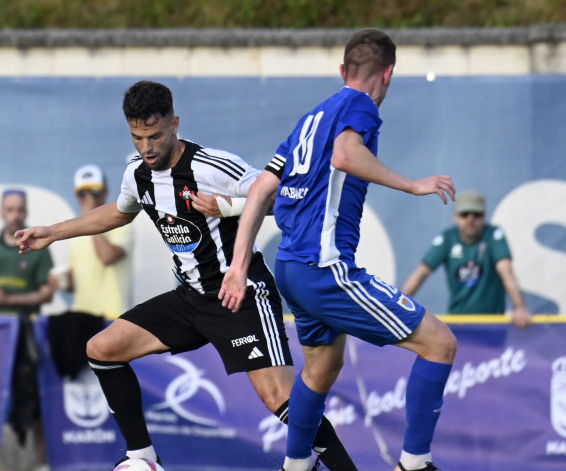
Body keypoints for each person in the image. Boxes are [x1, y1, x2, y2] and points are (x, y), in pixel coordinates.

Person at [15, 81, 356, 470]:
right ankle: (143, 459)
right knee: (102, 349)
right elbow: (120, 211)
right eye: (138, 137)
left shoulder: (212, 166)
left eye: (155, 135)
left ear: (175, 124)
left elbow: (280, 198)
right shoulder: (137, 174)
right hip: (190, 297)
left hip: (239, 293)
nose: (147, 147)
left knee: (281, 399)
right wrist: (53, 232)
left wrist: (228, 206)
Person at [220, 29, 457, 471]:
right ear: (387, 74)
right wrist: (412, 184)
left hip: (290, 267)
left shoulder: (308, 120)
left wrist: (237, 266)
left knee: (320, 370)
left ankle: (295, 466)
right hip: (324, 268)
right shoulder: (359, 104)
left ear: (342, 70)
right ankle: (414, 464)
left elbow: (259, 192)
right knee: (440, 344)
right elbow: (346, 156)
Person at [0, 189, 54, 471]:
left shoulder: (38, 248)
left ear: (26, 213)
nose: (16, 215)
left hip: (25, 336)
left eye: (20, 210)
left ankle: (38, 461)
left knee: (30, 396)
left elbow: (46, 294)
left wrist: (10, 300)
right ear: (2, 212)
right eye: (11, 209)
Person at [46, 164, 133, 380]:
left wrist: (91, 219)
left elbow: (107, 257)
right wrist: (62, 283)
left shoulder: (124, 224)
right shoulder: (75, 232)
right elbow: (77, 281)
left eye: (94, 192)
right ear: (76, 196)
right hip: (81, 318)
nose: (89, 198)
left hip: (112, 315)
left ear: (105, 192)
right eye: (83, 193)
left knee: (112, 380)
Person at [400, 190, 532, 329]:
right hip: (459, 323)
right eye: (464, 214)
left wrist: (520, 307)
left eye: (477, 214)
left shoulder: (493, 235)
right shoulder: (447, 239)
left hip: (493, 324)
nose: (471, 219)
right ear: (455, 216)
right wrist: (400, 307)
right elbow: (421, 273)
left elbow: (506, 271)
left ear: (484, 216)